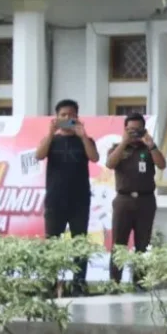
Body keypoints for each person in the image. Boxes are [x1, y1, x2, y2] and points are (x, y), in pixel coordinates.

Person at [35, 99, 99, 293]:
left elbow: (94, 157)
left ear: (77, 117)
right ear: (56, 117)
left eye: (71, 115)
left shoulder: (85, 139)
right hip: (55, 200)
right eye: (63, 115)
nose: (67, 118)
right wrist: (50, 133)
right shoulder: (51, 139)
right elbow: (39, 155)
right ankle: (51, 282)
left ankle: (79, 282)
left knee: (80, 243)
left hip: (80, 200)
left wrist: (83, 136)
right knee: (52, 243)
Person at [106, 112, 166, 284]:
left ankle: (140, 281)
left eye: (138, 130)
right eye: (131, 130)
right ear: (125, 130)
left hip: (145, 200)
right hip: (123, 200)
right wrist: (124, 142)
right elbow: (110, 163)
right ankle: (115, 282)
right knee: (119, 242)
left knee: (143, 242)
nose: (134, 134)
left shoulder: (148, 148)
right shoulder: (117, 147)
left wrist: (151, 145)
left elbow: (162, 164)